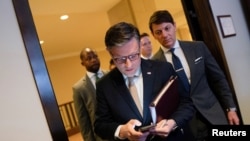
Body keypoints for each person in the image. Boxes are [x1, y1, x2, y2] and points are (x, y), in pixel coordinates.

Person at [94, 22, 195, 141]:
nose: (128, 64)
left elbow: (187, 103)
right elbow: (100, 125)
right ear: (110, 53)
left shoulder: (163, 69)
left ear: (138, 47)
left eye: (133, 56)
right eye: (120, 59)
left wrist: (173, 122)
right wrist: (122, 131)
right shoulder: (104, 85)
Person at [149, 10, 240, 141]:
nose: (164, 34)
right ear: (153, 35)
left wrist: (230, 108)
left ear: (174, 26)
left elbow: (218, 79)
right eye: (158, 32)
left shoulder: (197, 47)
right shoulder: (154, 64)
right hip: (185, 125)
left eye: (167, 28)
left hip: (213, 113)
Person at [72, 47, 108, 141]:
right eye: (88, 58)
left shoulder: (110, 76)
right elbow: (83, 120)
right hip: (100, 137)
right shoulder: (78, 88)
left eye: (95, 56)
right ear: (82, 63)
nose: (93, 60)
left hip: (121, 132)